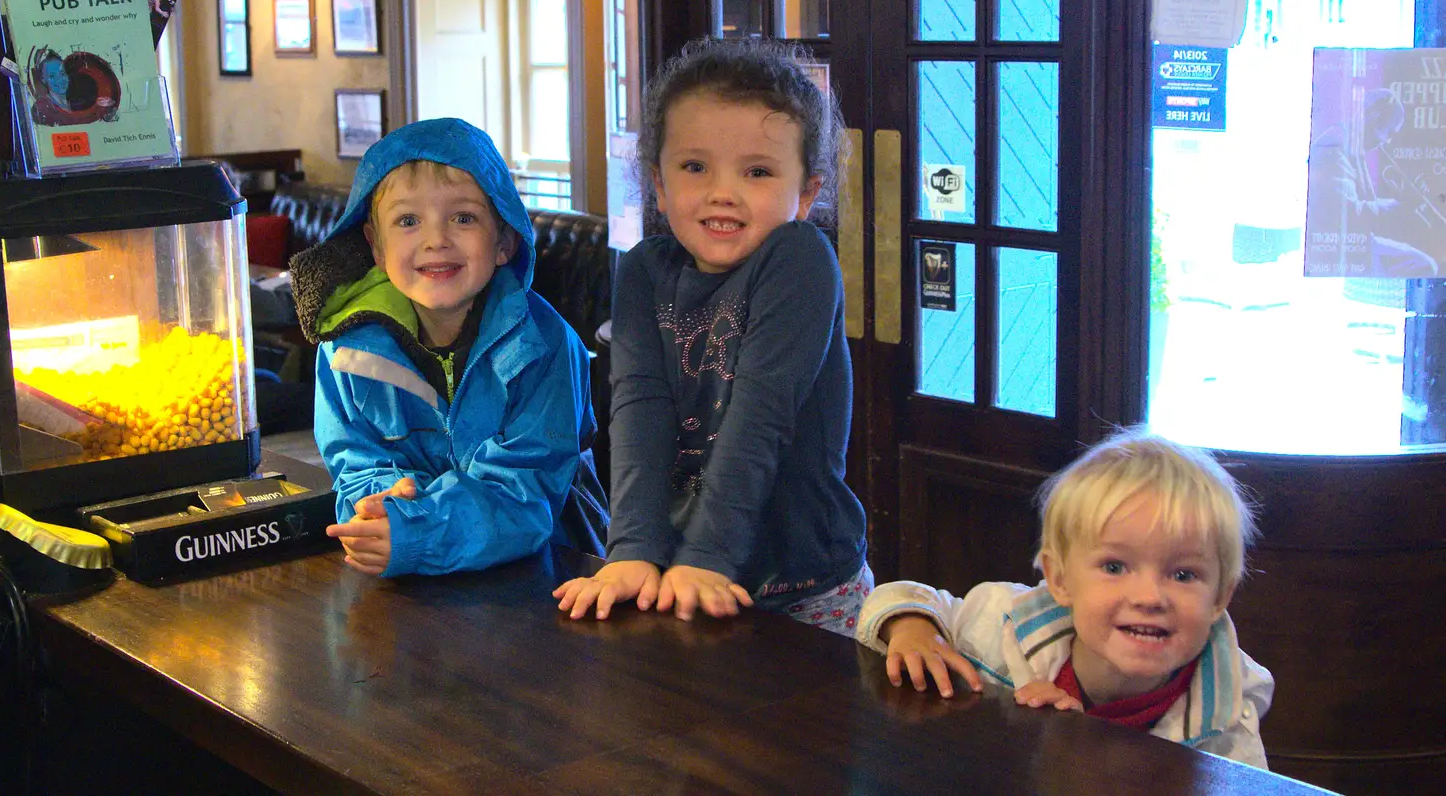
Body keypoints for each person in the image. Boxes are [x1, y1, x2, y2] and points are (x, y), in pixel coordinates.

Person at [554, 37, 869, 634]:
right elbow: (638, 410)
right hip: (685, 576)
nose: (723, 192)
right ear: (659, 182)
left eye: (757, 171)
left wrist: (707, 555)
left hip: (801, 585)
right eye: (695, 166)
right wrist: (633, 549)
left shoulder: (800, 257)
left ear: (806, 194)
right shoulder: (646, 269)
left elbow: (762, 412)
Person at [289, 117, 608, 577]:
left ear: (504, 239)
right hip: (409, 582)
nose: (436, 240)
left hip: (550, 577)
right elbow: (355, 465)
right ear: (376, 246)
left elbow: (526, 495)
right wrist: (381, 509)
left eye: (463, 218)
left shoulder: (547, 347)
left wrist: (418, 527)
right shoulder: (346, 352)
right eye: (408, 220)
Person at [856, 432, 1274, 768]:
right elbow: (893, 597)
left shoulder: (1227, 716)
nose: (1150, 597)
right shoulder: (1006, 620)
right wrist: (913, 626)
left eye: (1183, 575)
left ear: (1221, 596)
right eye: (1114, 567)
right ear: (1059, 579)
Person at [1307, 86, 1439, 276]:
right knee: (1426, 264)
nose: (1388, 141)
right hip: (1344, 246)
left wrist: (1403, 202)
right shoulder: (1335, 146)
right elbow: (1349, 214)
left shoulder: (1351, 146)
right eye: (1389, 132)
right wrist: (1400, 208)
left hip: (1358, 240)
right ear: (1374, 118)